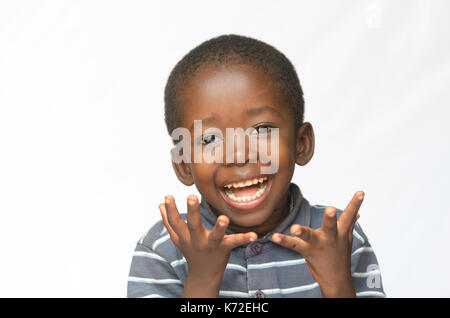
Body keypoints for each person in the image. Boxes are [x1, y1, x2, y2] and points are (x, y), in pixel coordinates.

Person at [127, 34, 385, 298]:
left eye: (261, 129)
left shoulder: (337, 238)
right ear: (184, 164)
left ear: (302, 143)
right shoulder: (164, 249)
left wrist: (336, 283)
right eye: (209, 139)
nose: (238, 156)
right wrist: (203, 279)